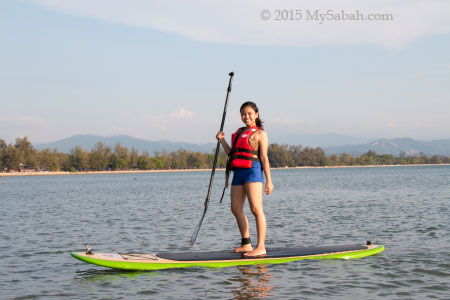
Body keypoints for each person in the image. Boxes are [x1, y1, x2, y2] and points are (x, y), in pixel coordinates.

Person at [216, 101, 273, 257]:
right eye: (243, 114)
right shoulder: (239, 132)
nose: (246, 116)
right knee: (235, 209)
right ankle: (246, 244)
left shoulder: (260, 133)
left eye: (249, 113)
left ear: (256, 114)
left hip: (253, 172)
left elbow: (264, 158)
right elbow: (231, 154)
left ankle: (261, 246)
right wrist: (222, 140)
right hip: (238, 173)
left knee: (255, 209)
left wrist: (269, 180)